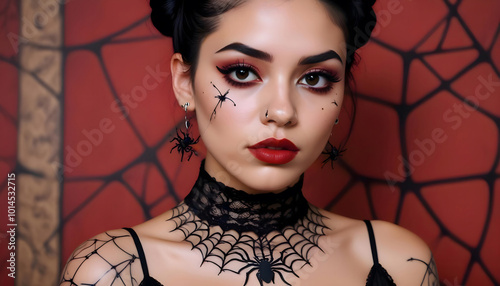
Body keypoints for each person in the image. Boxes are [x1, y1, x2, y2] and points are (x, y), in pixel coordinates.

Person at [60, 0, 439, 285]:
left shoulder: (398, 262)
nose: (281, 111)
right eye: (242, 72)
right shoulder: (110, 271)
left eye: (315, 79)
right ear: (183, 82)